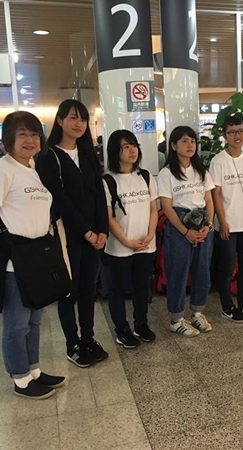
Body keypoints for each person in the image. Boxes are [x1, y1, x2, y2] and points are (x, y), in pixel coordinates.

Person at [0, 111, 66, 399]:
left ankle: (33, 369)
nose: (30, 140)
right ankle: (20, 377)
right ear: (8, 139)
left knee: (35, 320)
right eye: (23, 134)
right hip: (14, 260)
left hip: (37, 256)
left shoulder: (31, 168)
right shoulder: (0, 171)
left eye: (35, 134)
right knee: (16, 323)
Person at [36, 99, 109, 368]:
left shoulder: (88, 154)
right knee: (69, 289)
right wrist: (87, 232)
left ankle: (88, 338)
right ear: (60, 120)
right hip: (67, 235)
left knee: (88, 288)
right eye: (73, 118)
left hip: (94, 236)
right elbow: (60, 198)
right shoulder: (49, 156)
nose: (79, 124)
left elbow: (99, 194)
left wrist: (102, 230)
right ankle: (73, 343)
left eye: (83, 119)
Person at [103, 130, 158, 349]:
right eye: (125, 146)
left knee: (142, 287)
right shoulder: (108, 180)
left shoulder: (145, 176)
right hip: (119, 247)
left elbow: (153, 209)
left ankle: (141, 324)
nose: (132, 150)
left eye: (134, 145)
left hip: (146, 244)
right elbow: (108, 217)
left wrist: (150, 234)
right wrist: (126, 241)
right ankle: (122, 330)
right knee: (117, 290)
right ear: (115, 151)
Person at [158, 126, 215, 336]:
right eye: (184, 141)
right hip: (179, 222)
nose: (190, 145)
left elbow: (209, 200)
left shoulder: (201, 170)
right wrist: (185, 232)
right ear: (173, 146)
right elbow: (167, 207)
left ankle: (197, 313)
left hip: (202, 221)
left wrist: (208, 226)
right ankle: (176, 318)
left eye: (192, 141)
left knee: (202, 270)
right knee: (178, 271)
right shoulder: (167, 173)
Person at [210, 116, 243, 323]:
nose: (237, 136)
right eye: (232, 132)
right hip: (228, 224)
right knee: (226, 268)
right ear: (225, 135)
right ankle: (227, 306)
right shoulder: (218, 161)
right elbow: (215, 194)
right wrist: (222, 222)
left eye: (240, 131)